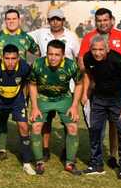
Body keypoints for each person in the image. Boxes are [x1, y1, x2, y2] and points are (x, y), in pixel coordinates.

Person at [78, 8, 121, 169]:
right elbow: (81, 61)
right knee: (96, 125)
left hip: (117, 92)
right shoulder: (89, 37)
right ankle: (96, 159)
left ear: (111, 20)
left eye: (105, 20)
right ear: (95, 21)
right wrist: (89, 78)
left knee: (117, 124)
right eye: (99, 20)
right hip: (96, 89)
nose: (102, 23)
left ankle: (113, 155)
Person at [28, 9, 81, 162]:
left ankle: (67, 153)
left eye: (58, 19)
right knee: (45, 122)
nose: (55, 22)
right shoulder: (41, 33)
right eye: (52, 19)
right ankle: (44, 151)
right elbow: (23, 37)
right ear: (48, 20)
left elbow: (78, 57)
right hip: (44, 90)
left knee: (69, 124)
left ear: (63, 20)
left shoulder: (71, 36)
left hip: (66, 87)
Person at [0, 9, 40, 161]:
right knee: (2, 118)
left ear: (19, 20)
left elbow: (37, 52)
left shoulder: (26, 37)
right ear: (5, 21)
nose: (11, 21)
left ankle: (24, 149)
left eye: (14, 19)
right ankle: (2, 149)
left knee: (21, 119)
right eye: (8, 19)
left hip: (20, 85)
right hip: (2, 84)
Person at [81, 36, 121, 181]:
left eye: (100, 49)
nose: (97, 53)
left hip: (118, 101)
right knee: (95, 131)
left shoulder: (117, 60)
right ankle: (96, 165)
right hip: (98, 100)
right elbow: (89, 76)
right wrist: (86, 93)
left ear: (107, 49)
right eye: (94, 49)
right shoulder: (88, 58)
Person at [0, 44, 36, 175]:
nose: (10, 62)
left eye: (13, 58)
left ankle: (27, 163)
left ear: (18, 58)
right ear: (2, 57)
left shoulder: (24, 67)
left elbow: (29, 83)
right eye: (7, 58)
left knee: (23, 127)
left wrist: (26, 100)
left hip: (16, 100)